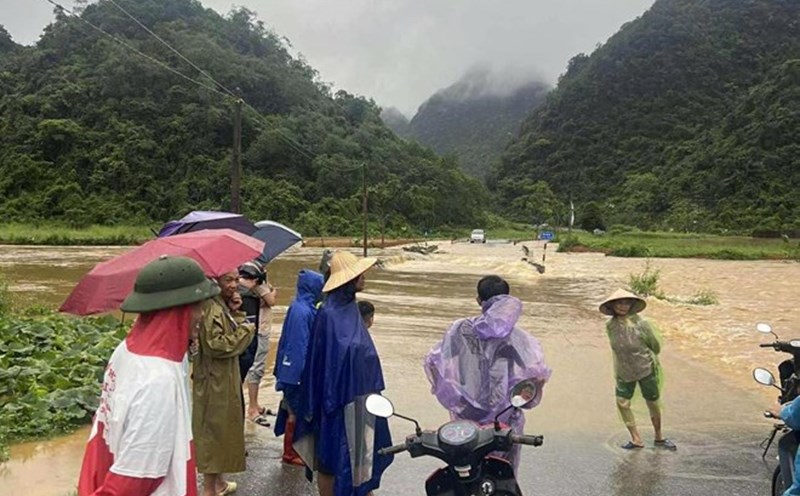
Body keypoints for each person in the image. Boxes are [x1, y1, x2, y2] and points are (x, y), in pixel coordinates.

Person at [77, 256, 219, 496]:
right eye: (198, 306)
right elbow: (136, 477)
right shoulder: (159, 380)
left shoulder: (126, 350)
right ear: (178, 309)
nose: (203, 315)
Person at [424, 275, 551, 473]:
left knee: (464, 467)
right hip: (504, 416)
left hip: (466, 414)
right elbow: (536, 377)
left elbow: (434, 362)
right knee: (504, 471)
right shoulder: (518, 338)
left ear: (478, 300)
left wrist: (454, 395)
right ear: (507, 300)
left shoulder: (460, 329)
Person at [293, 251, 393, 496]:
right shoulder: (328, 314)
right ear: (350, 279)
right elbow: (321, 361)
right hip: (335, 400)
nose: (364, 277)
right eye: (360, 273)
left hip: (361, 396)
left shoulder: (350, 310)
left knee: (363, 455)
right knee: (330, 455)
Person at [193, 270, 256, 496]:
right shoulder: (211, 307)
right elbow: (215, 345)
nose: (234, 284)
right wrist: (247, 331)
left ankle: (218, 482)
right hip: (214, 379)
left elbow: (226, 331)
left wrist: (235, 313)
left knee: (223, 428)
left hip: (223, 376)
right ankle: (210, 489)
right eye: (228, 280)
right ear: (216, 281)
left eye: (236, 279)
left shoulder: (220, 304)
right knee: (214, 430)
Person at [600, 288, 676, 450]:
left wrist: (641, 355)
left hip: (645, 367)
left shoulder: (642, 324)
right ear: (612, 306)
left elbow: (655, 346)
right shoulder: (610, 325)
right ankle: (636, 439)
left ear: (631, 305)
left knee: (652, 402)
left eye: (627, 303)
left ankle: (659, 437)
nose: (623, 306)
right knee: (622, 402)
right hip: (623, 370)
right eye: (619, 303)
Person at [273, 269, 325, 465]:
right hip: (295, 372)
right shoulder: (302, 312)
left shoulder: (302, 307)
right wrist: (299, 374)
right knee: (295, 411)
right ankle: (290, 453)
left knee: (293, 410)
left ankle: (294, 450)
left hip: (291, 371)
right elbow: (298, 345)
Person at [237, 260, 277, 426]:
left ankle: (254, 405)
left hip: (261, 326)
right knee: (256, 367)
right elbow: (271, 300)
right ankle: (252, 408)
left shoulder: (256, 276)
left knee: (256, 367)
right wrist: (272, 292)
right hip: (258, 329)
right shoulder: (253, 276)